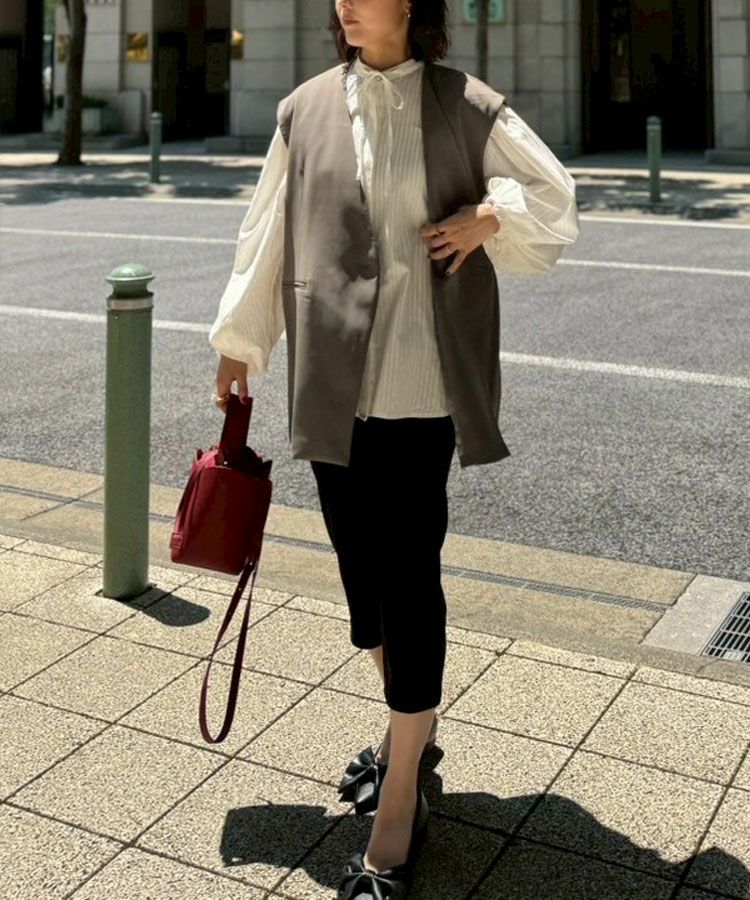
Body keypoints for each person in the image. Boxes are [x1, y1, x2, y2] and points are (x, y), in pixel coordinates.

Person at [209, 2, 580, 897]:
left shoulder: (465, 104)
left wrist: (488, 216)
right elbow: (268, 232)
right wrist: (239, 343)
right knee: (363, 591)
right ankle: (414, 728)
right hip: (332, 388)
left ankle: (402, 795)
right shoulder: (303, 109)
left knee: (409, 579)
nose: (345, 2)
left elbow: (555, 197)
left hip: (422, 386)